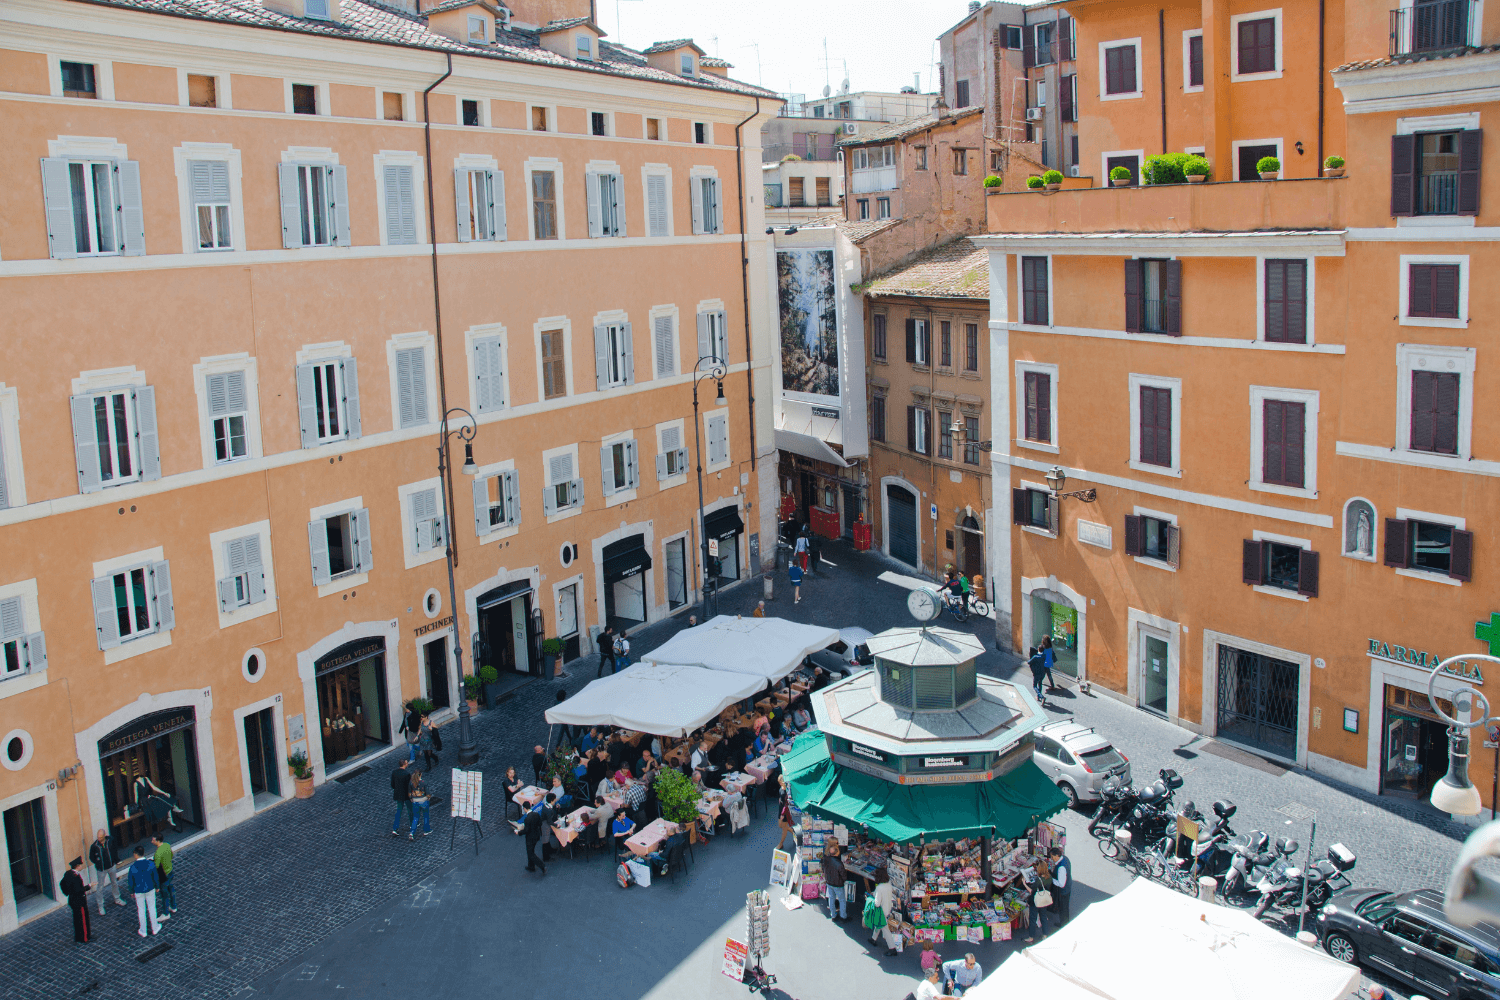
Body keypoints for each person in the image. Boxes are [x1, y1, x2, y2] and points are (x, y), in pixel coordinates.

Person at [88, 829, 125, 915]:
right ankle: (100, 906)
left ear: (104, 835)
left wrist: (116, 860)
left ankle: (117, 898)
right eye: (98, 837)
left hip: (111, 866)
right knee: (100, 887)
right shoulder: (94, 846)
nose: (99, 839)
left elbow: (114, 850)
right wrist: (98, 862)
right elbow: (92, 857)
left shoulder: (110, 840)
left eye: (100, 837)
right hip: (101, 869)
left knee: (114, 882)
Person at [128, 846, 161, 938]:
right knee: (152, 908)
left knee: (141, 910)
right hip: (150, 888)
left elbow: (131, 881)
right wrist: (157, 886)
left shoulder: (133, 867)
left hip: (138, 891)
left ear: (135, 854)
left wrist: (131, 891)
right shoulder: (150, 864)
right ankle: (155, 927)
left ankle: (143, 930)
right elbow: (155, 876)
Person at [60, 857, 91, 944]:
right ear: (77, 866)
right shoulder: (75, 877)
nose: (81, 866)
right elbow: (79, 890)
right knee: (83, 920)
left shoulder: (68, 874)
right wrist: (88, 886)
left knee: (77, 920)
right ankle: (85, 938)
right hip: (79, 901)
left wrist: (67, 893)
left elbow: (62, 884)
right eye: (80, 865)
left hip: (72, 900)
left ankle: (78, 937)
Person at [1019, 859, 1050, 941]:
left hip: (1035, 902)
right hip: (1044, 901)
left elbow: (1032, 891)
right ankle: (1045, 934)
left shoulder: (1038, 881)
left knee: (1032, 918)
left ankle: (1031, 937)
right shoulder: (1048, 877)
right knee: (1043, 917)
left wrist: (1025, 884)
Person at [151, 833, 176, 916]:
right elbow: (171, 854)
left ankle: (166, 913)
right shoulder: (167, 845)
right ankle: (173, 907)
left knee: (164, 895)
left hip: (164, 876)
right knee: (171, 890)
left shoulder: (158, 853)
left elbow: (157, 866)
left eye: (153, 840)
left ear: (157, 841)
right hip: (170, 871)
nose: (151, 842)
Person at [824, 842, 849, 920]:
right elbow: (843, 875)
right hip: (838, 884)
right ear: (837, 852)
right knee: (842, 900)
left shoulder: (826, 859)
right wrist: (844, 880)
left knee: (831, 898)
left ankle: (833, 915)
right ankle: (843, 916)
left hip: (829, 882)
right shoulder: (839, 863)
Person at [391, 758, 415, 837]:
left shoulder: (394, 772)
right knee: (410, 810)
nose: (407, 763)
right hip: (406, 795)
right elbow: (409, 786)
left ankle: (395, 829)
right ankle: (412, 826)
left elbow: (392, 785)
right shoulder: (407, 774)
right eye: (407, 762)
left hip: (398, 795)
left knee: (398, 811)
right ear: (404, 764)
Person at [1048, 846, 1072, 924]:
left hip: (1063, 891)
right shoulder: (1065, 858)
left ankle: (1064, 924)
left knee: (1063, 908)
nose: (1052, 858)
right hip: (1068, 886)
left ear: (1057, 856)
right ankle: (1064, 922)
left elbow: (1061, 884)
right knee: (1064, 908)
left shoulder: (1061, 867)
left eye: (1052, 857)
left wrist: (1051, 879)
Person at [522, 800, 547, 875]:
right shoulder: (536, 814)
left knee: (531, 854)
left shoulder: (527, 819)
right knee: (531, 851)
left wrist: (518, 832)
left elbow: (526, 830)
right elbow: (540, 823)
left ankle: (542, 866)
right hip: (536, 835)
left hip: (530, 838)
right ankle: (531, 866)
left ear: (524, 808)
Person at [408, 769, 432, 838]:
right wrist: (428, 798)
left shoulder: (411, 783)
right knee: (426, 816)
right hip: (423, 801)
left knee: (416, 817)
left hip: (415, 802)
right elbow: (428, 793)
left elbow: (409, 794)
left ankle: (412, 832)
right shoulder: (423, 782)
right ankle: (426, 830)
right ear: (420, 775)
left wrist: (412, 799)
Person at [775, 776, 795, 851]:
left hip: (785, 812)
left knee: (784, 828)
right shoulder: (782, 789)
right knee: (781, 825)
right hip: (781, 810)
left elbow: (786, 805)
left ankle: (781, 844)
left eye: (780, 782)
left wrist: (783, 814)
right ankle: (794, 833)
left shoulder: (786, 792)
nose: (780, 784)